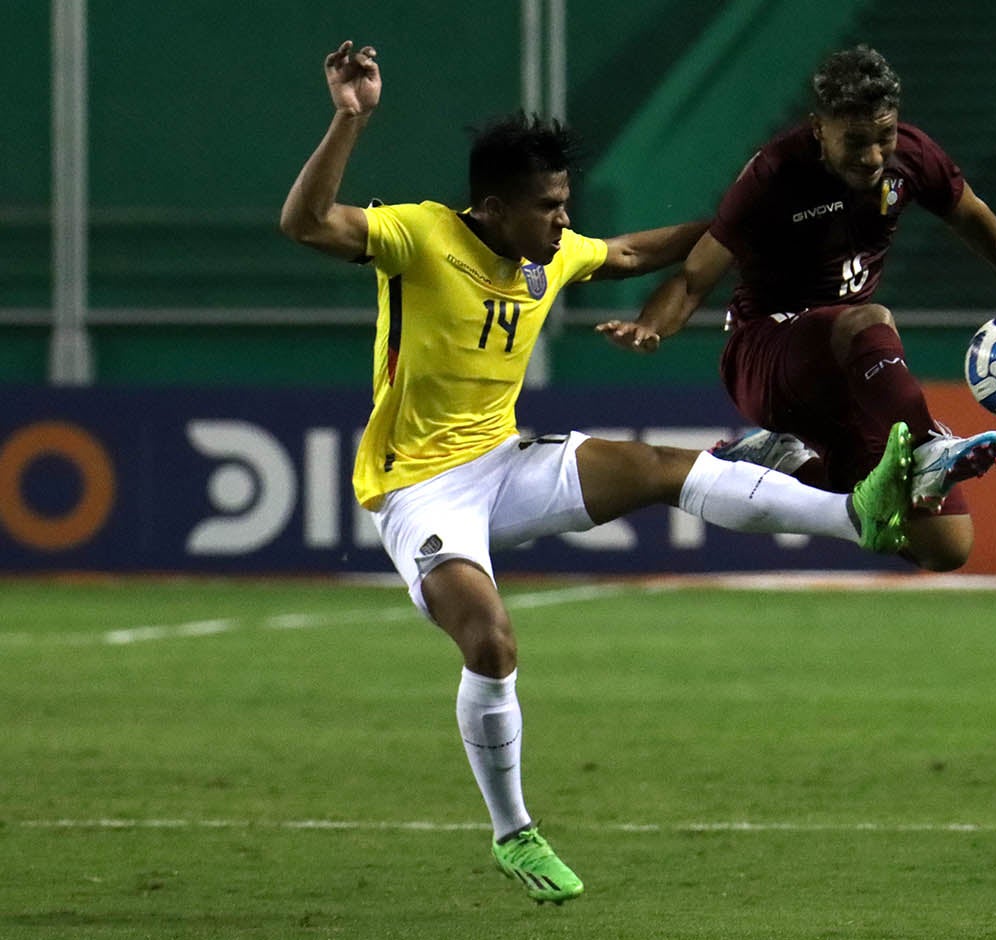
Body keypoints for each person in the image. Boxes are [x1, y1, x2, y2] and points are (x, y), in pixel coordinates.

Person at [280, 40, 915, 906]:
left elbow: (623, 254)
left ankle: (861, 516)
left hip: (503, 464)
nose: (560, 222)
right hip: (418, 489)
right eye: (546, 208)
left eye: (565, 205)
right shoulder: (419, 235)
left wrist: (746, 223)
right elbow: (307, 223)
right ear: (493, 207)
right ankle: (514, 833)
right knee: (491, 642)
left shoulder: (551, 252)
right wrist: (349, 119)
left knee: (661, 467)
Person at [597, 45, 996, 573]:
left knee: (946, 545)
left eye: (884, 137)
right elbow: (696, 277)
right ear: (819, 128)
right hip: (764, 354)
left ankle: (785, 467)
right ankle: (929, 446)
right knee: (868, 318)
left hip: (848, 373)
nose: (875, 156)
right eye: (856, 142)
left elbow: (968, 211)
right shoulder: (773, 175)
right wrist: (652, 327)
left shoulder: (913, 154)